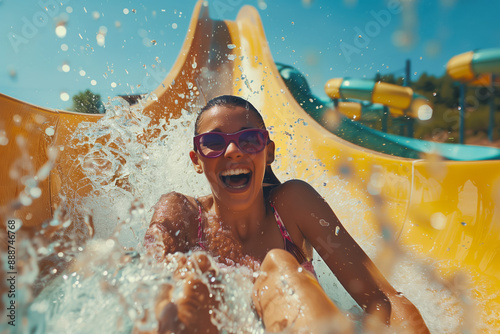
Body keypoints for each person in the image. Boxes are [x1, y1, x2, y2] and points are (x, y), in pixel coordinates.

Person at [143, 95, 429, 333]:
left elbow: (384, 300)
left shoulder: (292, 204)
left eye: (249, 139)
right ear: (196, 160)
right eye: (214, 143)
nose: (232, 151)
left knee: (280, 266)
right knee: (192, 279)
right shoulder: (182, 213)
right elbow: (143, 294)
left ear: (268, 153)